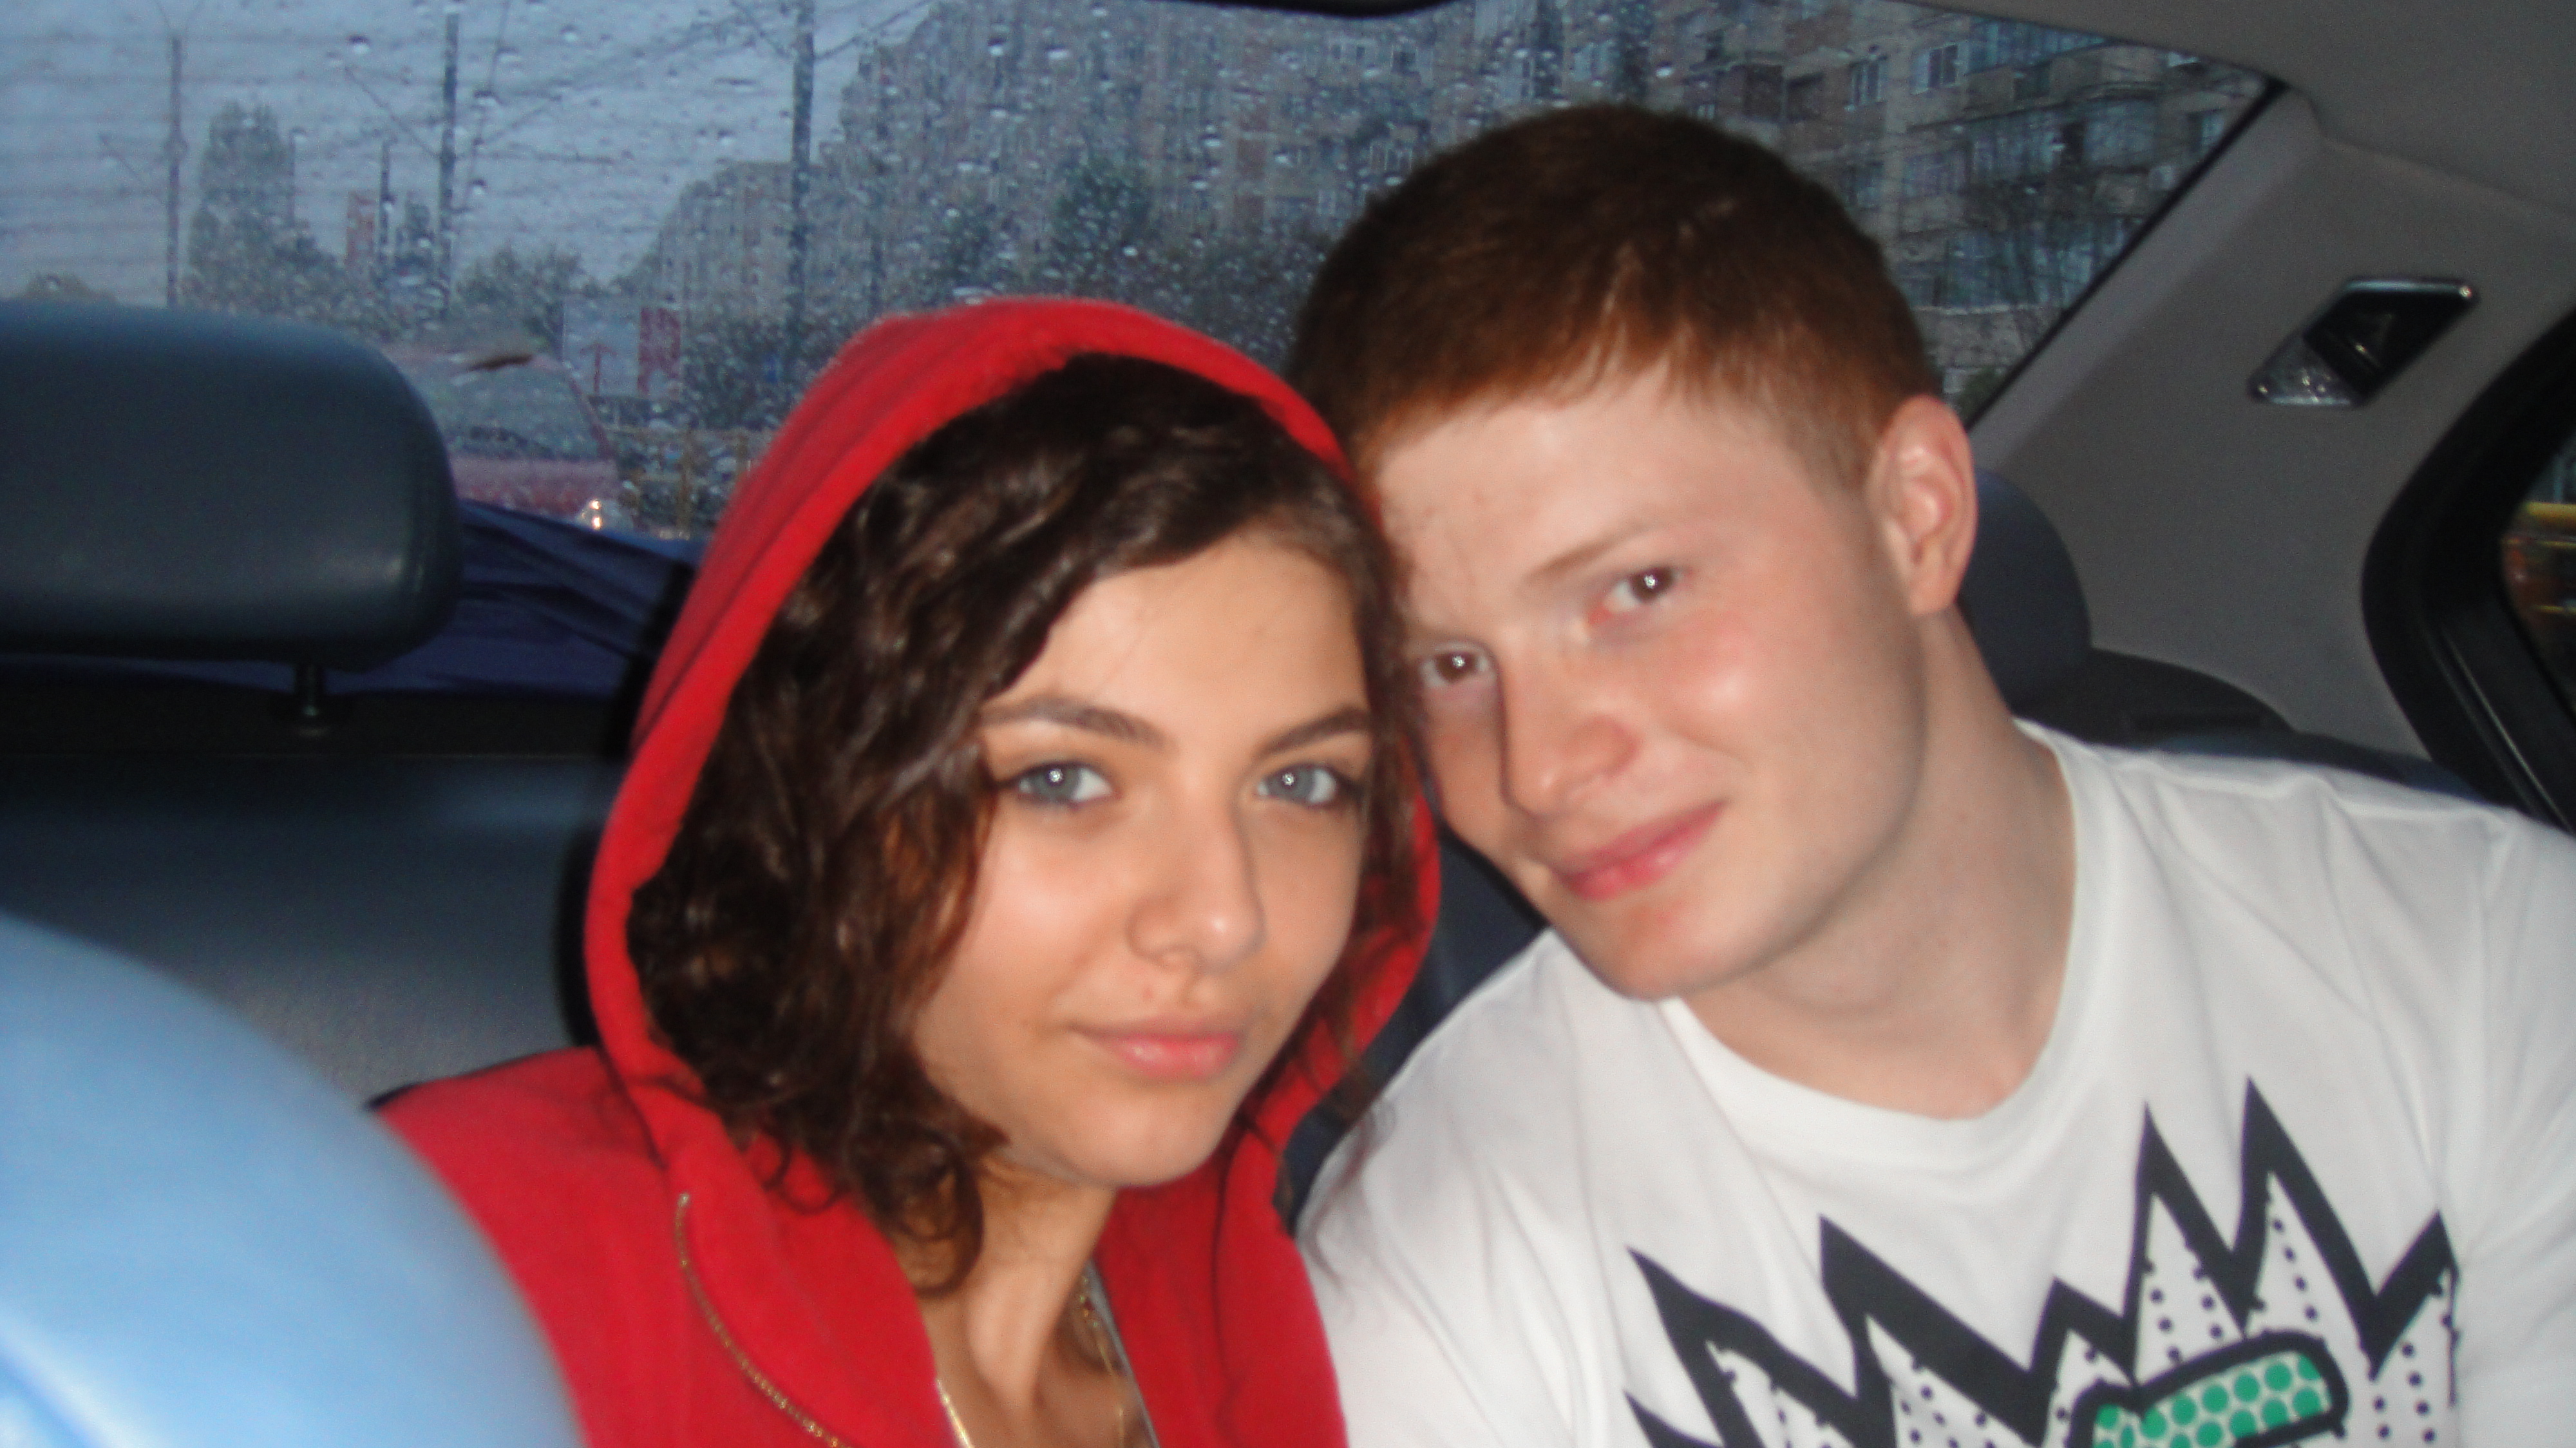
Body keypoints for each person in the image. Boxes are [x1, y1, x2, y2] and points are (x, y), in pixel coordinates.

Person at [1287, 105, 2576, 1447]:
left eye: (1640, 588)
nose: (1539, 767)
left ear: (1915, 514)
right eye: (1447, 665)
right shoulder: (1430, 1264)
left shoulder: (2483, 958)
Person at [385, 298, 1435, 1448]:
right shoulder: (475, 1267)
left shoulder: (1235, 1324)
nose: (1225, 918)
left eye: (1302, 784)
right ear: (822, 794)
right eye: (1063, 781)